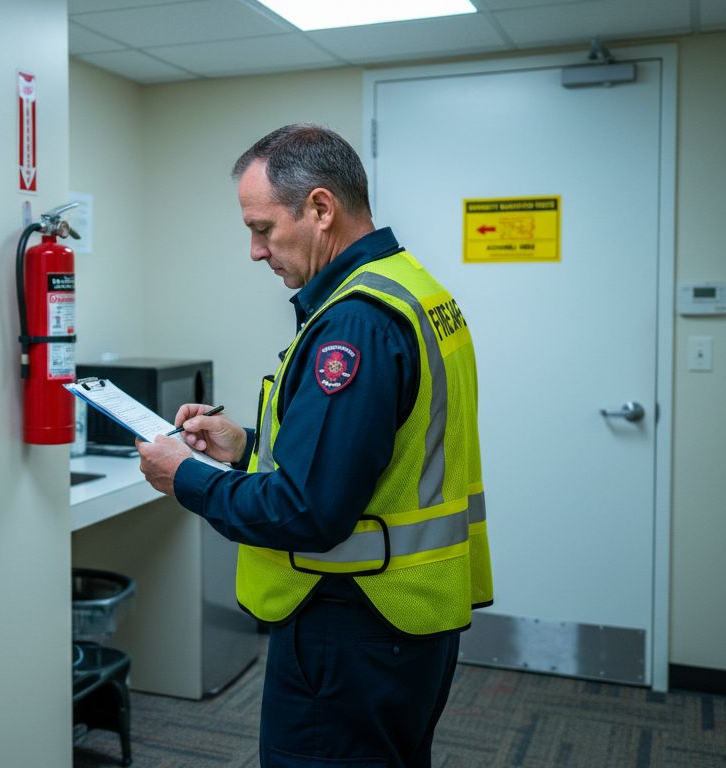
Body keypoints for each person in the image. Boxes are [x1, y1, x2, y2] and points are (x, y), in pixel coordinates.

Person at [135, 124, 493, 768]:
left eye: (262, 228)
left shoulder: (353, 323)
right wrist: (244, 445)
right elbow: (375, 454)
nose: (253, 250)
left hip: (351, 622)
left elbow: (308, 511)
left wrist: (184, 475)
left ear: (321, 209)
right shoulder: (412, 287)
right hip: (407, 621)